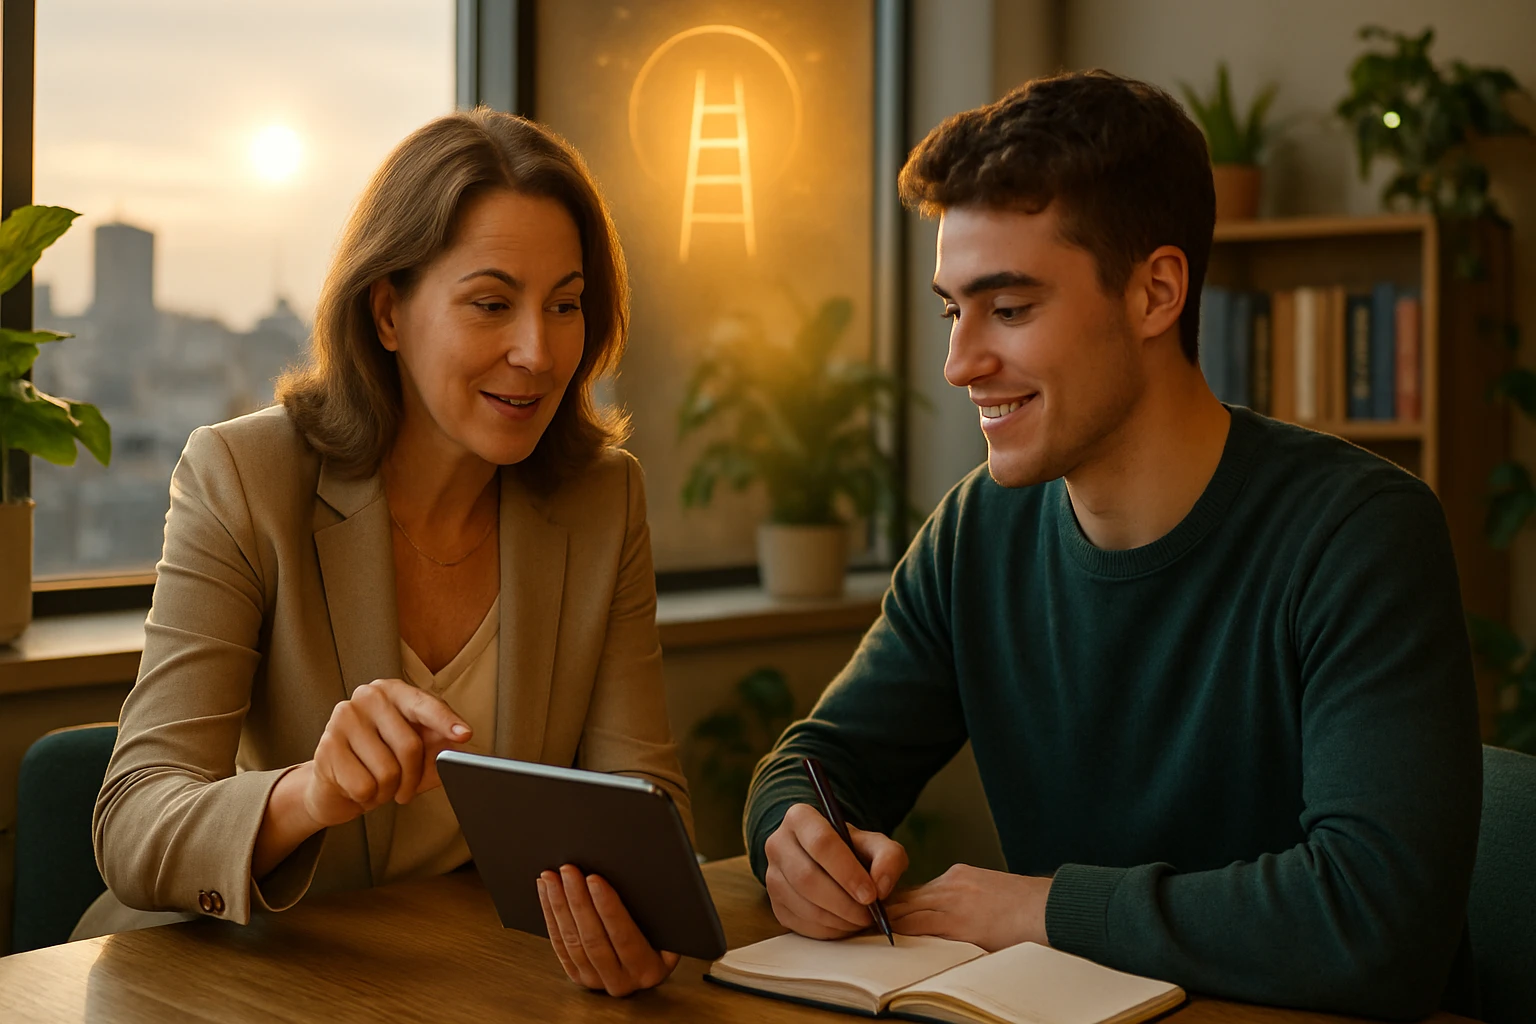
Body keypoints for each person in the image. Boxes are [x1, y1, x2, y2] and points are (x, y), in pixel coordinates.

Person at [744, 71, 1482, 1020]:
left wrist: (1044, 907)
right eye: (951, 310)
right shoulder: (976, 532)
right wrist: (795, 836)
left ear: (1156, 292)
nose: (960, 361)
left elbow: (1377, 921)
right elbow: (819, 759)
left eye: (1008, 309)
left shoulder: (1360, 535)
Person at [82, 109, 683, 997]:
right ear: (389, 310)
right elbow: (134, 821)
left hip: (468, 978)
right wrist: (310, 794)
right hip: (236, 980)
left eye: (565, 304)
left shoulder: (602, 498)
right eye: (491, 303)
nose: (540, 350)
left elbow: (647, 804)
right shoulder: (243, 475)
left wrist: (639, 920)